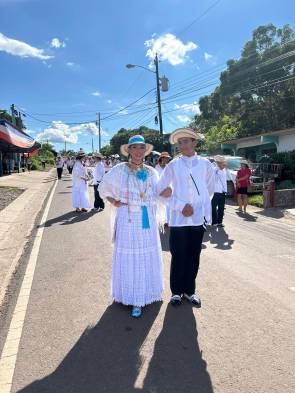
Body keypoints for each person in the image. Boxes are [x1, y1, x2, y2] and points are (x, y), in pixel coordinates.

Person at [98, 135, 163, 318]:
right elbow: (103, 188)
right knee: (130, 255)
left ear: (145, 151)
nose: (138, 151)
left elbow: (159, 192)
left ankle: (146, 294)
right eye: (134, 147)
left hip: (147, 218)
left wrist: (170, 191)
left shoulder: (151, 171)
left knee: (145, 254)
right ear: (129, 150)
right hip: (127, 220)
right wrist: (113, 201)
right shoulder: (119, 170)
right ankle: (131, 296)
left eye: (141, 147)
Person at [157, 128, 215, 308]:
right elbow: (159, 192)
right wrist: (180, 206)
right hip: (178, 220)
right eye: (180, 142)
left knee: (193, 256)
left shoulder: (206, 164)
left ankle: (190, 291)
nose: (183, 145)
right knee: (178, 255)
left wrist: (197, 208)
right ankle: (176, 292)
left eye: (186, 141)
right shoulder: (173, 165)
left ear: (194, 142)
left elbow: (210, 191)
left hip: (197, 220)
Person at [211, 155, 232, 227]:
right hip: (215, 191)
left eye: (224, 162)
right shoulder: (214, 170)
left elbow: (229, 178)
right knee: (213, 207)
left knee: (221, 207)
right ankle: (214, 222)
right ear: (218, 163)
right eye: (222, 162)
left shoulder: (224, 170)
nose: (223, 164)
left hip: (222, 191)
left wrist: (226, 169)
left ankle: (219, 222)